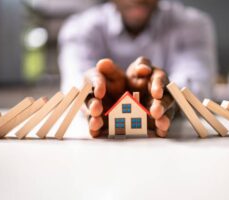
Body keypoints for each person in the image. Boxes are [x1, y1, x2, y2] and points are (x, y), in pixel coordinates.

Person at [58, 0, 217, 137]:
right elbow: (73, 84)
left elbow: (198, 86)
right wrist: (90, 95)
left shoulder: (192, 23)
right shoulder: (80, 27)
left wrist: (169, 96)